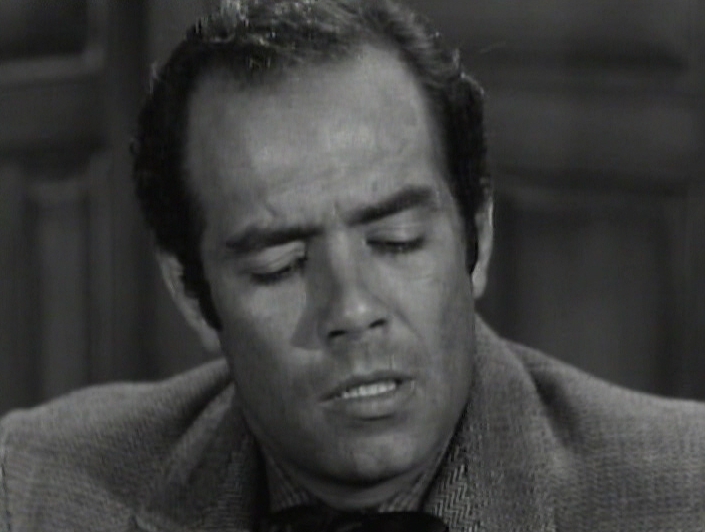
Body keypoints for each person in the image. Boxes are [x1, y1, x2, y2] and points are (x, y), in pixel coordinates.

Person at [1, 0, 704, 530]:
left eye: (396, 240)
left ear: (477, 238)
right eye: (279, 266)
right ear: (192, 295)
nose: (352, 310)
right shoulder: (39, 487)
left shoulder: (683, 493)